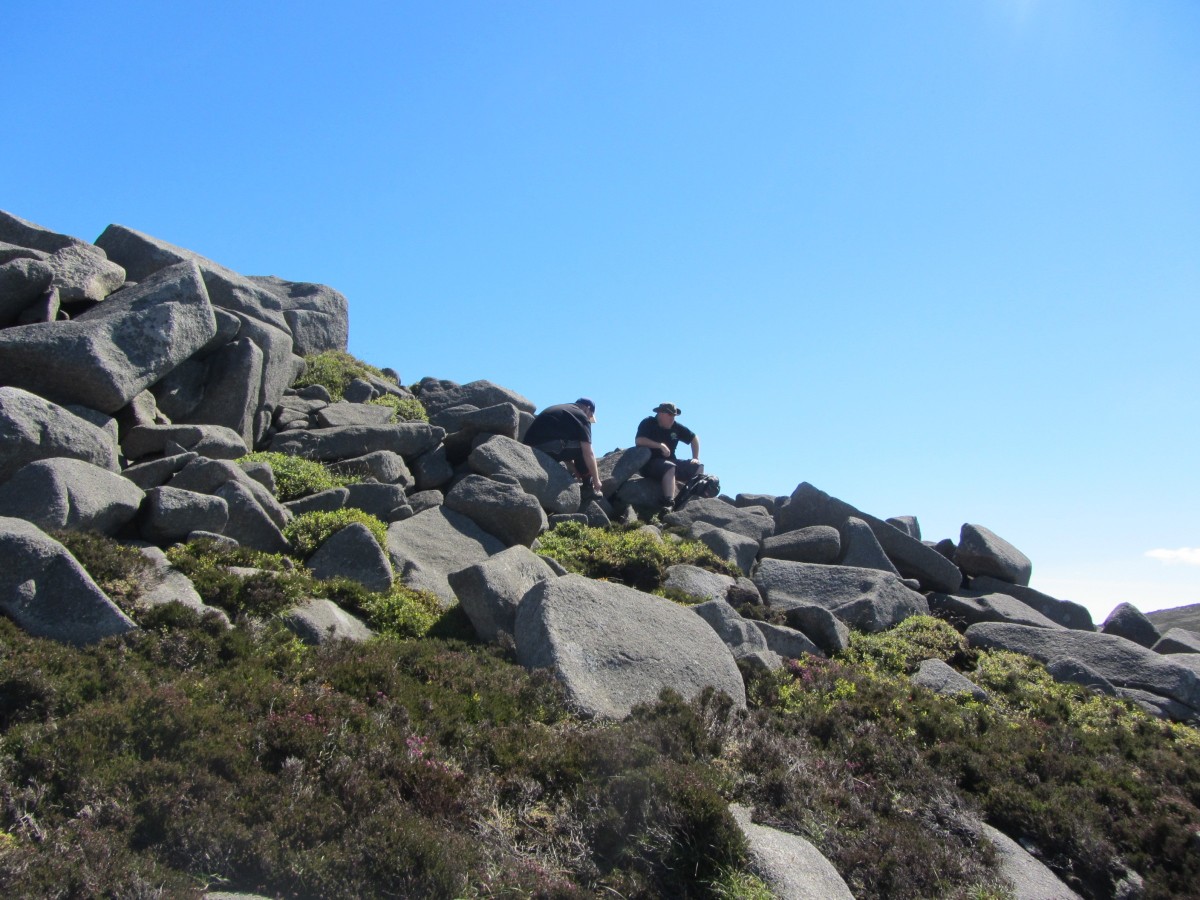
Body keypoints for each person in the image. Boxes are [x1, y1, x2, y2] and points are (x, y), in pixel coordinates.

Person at [522, 398, 604, 498]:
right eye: (590, 416)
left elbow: (556, 439)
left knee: (575, 444)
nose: (589, 419)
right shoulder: (581, 415)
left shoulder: (561, 409)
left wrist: (575, 469)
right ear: (588, 408)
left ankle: (583, 479)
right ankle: (588, 487)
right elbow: (588, 452)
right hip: (547, 448)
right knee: (583, 446)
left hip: (529, 448)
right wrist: (596, 480)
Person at [635, 402, 704, 514]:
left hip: (671, 461)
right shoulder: (648, 423)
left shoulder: (676, 427)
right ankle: (668, 502)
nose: (673, 419)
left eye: (674, 416)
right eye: (670, 415)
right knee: (670, 467)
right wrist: (659, 445)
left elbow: (694, 438)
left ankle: (690, 499)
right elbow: (639, 440)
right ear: (661, 414)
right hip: (650, 463)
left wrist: (695, 457)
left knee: (698, 467)